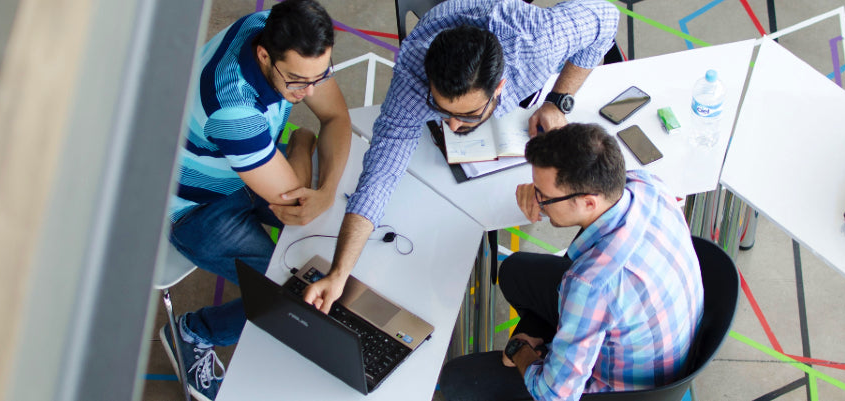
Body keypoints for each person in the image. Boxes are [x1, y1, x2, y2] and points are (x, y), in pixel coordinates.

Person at [302, 0, 620, 316]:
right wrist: (339, 272)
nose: (453, 126)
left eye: (467, 115)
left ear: (499, 88)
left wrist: (558, 100)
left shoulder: (538, 42)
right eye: (441, 110)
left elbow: (607, 17)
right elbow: (380, 173)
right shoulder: (413, 74)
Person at [158, 1, 351, 399]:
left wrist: (327, 189)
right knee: (287, 292)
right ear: (264, 55)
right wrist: (301, 138)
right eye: (298, 81)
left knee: (330, 228)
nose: (310, 92)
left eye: (321, 76)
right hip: (196, 208)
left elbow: (336, 118)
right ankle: (195, 332)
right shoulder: (234, 109)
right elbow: (297, 201)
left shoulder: (274, 29)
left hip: (244, 169)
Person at [437, 123, 705, 400]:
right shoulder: (648, 186)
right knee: (516, 272)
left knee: (458, 378)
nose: (537, 201)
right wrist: (542, 190)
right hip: (660, 342)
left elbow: (553, 394)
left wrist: (521, 351)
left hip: (624, 392)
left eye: (544, 196)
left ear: (589, 202)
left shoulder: (590, 284)